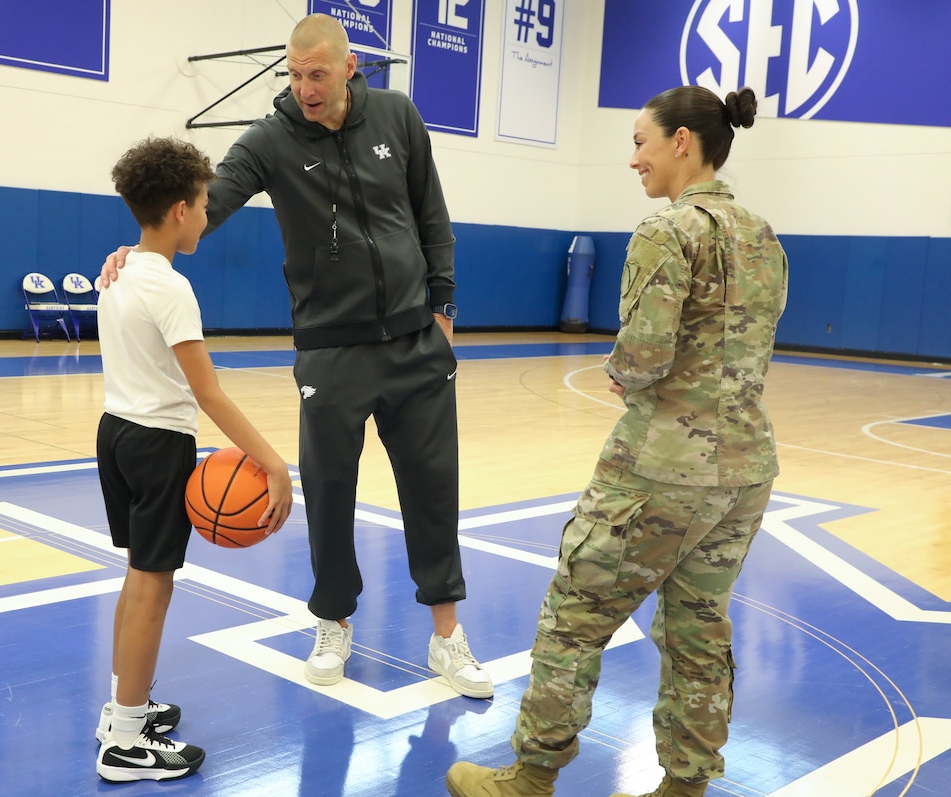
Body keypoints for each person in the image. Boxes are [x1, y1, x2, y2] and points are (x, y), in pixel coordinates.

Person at [101, 13, 492, 699]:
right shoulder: (271, 140)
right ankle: (332, 620)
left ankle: (448, 635)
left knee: (434, 490)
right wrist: (143, 245)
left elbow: (433, 215)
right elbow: (204, 203)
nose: (304, 87)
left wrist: (444, 310)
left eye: (316, 73)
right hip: (330, 349)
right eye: (294, 74)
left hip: (413, 343)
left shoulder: (399, 118)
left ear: (347, 69)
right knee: (330, 492)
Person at [445, 85, 788, 797]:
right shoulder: (763, 234)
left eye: (641, 141)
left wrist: (620, 370)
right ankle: (685, 785)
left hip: (661, 469)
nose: (634, 159)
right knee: (699, 630)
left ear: (682, 142)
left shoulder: (666, 232)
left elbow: (643, 358)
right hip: (745, 470)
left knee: (573, 617)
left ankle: (531, 776)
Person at [94, 136, 293, 782]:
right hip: (157, 444)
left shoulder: (116, 273)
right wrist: (273, 462)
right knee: (155, 586)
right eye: (206, 204)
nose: (209, 215)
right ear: (180, 209)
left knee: (137, 576)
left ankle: (123, 705)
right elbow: (207, 392)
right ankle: (125, 739)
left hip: (116, 432)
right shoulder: (171, 287)